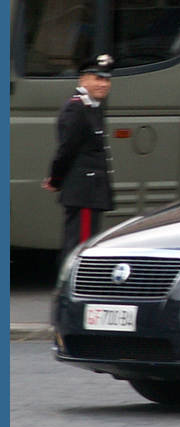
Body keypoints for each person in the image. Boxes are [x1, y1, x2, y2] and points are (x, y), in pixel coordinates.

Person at [42, 53, 115, 267]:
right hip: (83, 191)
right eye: (97, 78)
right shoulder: (77, 107)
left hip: (89, 190)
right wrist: (56, 180)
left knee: (85, 245)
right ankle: (74, 293)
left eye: (106, 79)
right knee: (79, 248)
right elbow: (66, 150)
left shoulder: (91, 106)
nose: (103, 84)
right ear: (83, 80)